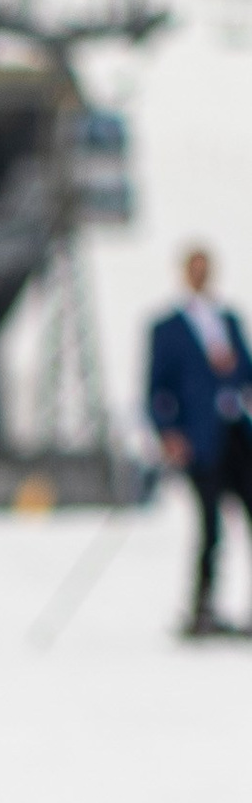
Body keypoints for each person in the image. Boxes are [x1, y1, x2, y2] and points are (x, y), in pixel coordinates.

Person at [146, 246, 252, 635]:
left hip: (236, 433)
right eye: (194, 268)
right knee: (211, 526)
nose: (201, 275)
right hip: (199, 440)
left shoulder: (229, 320)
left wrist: (233, 367)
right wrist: (169, 433)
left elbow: (246, 372)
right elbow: (156, 391)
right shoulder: (167, 328)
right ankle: (202, 608)